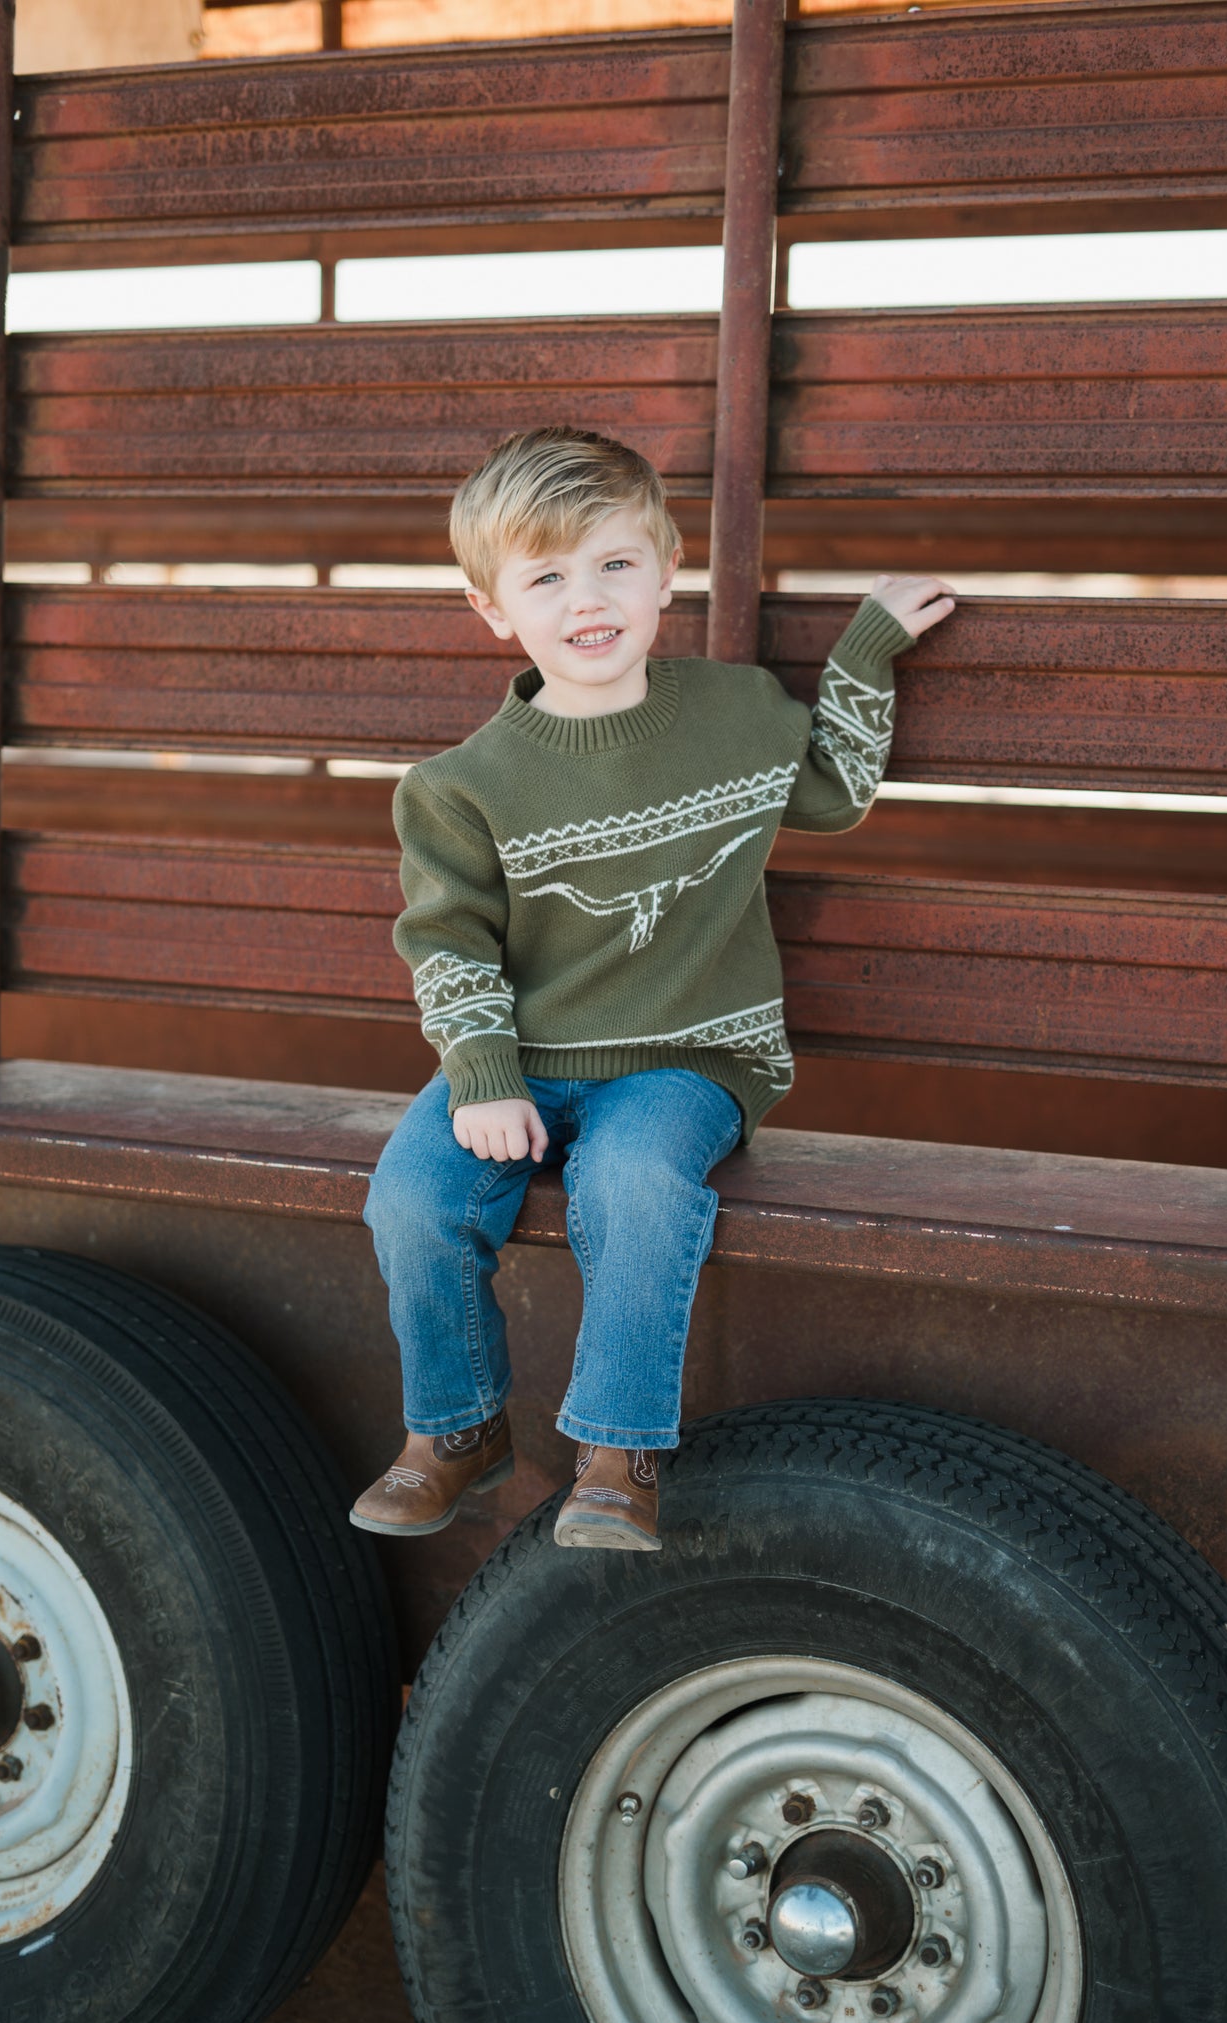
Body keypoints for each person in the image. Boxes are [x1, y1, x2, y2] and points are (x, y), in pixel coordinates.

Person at [351, 426, 956, 1552]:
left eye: (613, 564)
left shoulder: (733, 715)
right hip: (517, 1065)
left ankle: (619, 1455)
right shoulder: (459, 786)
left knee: (632, 1182)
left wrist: (863, 653)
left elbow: (830, 793)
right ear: (494, 610)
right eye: (546, 576)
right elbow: (446, 943)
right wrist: (479, 1076)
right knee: (412, 1196)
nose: (588, 599)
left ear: (665, 569)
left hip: (689, 1055)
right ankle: (456, 1427)